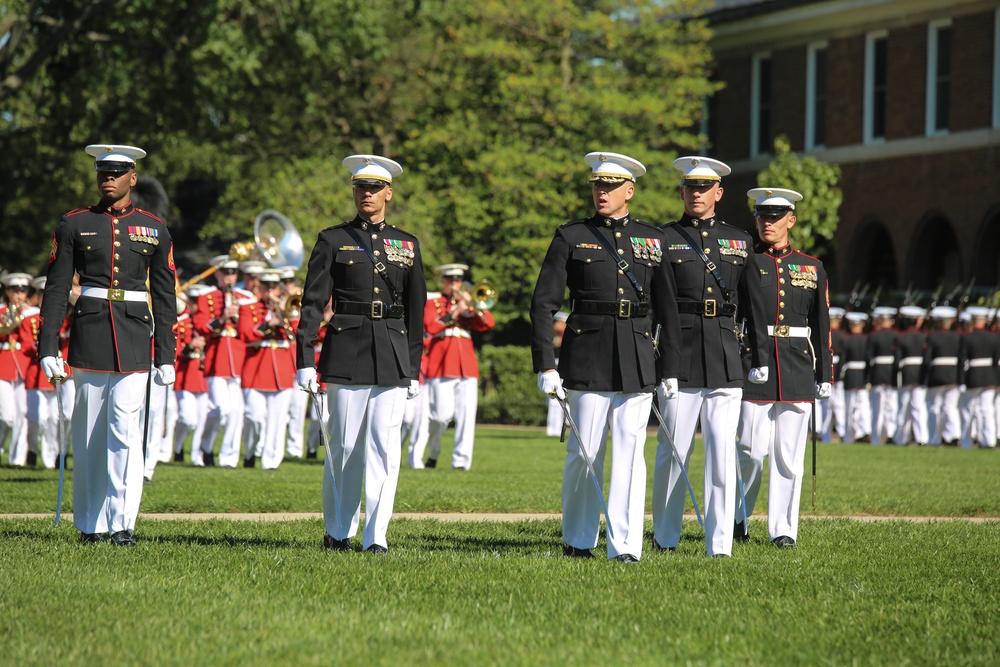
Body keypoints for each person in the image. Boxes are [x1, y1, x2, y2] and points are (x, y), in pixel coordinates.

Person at [530, 151, 679, 563]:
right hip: (586, 355)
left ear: (629, 190)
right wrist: (546, 363)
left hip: (636, 354)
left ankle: (625, 546)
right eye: (598, 185)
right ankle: (578, 538)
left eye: (611, 186)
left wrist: (671, 368)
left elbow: (668, 309)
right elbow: (543, 304)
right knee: (585, 451)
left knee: (630, 454)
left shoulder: (653, 238)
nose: (602, 192)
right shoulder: (571, 235)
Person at [38, 144, 177, 546]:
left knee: (124, 430)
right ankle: (90, 524)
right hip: (91, 335)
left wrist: (165, 354)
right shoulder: (74, 223)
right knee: (88, 432)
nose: (109, 179)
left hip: (135, 336)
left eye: (117, 172)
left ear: (133, 177)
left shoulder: (154, 227)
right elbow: (57, 287)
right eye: (103, 172)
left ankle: (121, 524)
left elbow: (166, 297)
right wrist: (48, 347)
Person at [295, 154, 426, 554]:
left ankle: (377, 536)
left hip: (391, 350)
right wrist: (304, 358)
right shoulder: (332, 239)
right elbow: (312, 303)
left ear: (388, 193)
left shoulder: (407, 243)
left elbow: (417, 309)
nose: (366, 194)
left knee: (385, 449)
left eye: (373, 188)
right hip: (346, 348)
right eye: (360, 187)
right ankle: (338, 531)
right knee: (345, 445)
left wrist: (414, 367)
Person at [651, 156, 769, 558]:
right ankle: (665, 537)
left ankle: (720, 543)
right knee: (673, 449)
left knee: (721, 451)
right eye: (690, 188)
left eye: (704, 188)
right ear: (682, 192)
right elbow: (655, 304)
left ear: (719, 193)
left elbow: (754, 305)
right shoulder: (663, 238)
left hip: (724, 353)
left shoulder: (740, 240)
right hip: (679, 353)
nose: (696, 194)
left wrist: (760, 357)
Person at [734, 188, 832, 548]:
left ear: (791, 219)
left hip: (797, 363)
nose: (768, 223)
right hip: (753, 360)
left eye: (775, 217)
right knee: (750, 449)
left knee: (789, 456)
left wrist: (825, 373)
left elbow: (821, 322)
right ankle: (737, 518)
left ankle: (783, 529)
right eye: (762, 217)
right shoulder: (745, 261)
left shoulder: (812, 266)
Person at [422, 263, 496, 470]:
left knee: (466, 415)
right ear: (443, 281)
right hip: (442, 364)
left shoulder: (468, 301)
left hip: (467, 366)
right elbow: (431, 326)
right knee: (440, 416)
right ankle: (434, 450)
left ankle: (461, 462)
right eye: (450, 280)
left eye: (458, 280)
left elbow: (488, 323)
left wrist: (471, 304)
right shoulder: (433, 301)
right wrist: (455, 312)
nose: (454, 284)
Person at [194, 255, 255, 466]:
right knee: (220, 410)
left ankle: (229, 457)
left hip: (238, 358)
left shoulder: (245, 297)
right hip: (217, 358)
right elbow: (201, 325)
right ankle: (207, 446)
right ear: (218, 274)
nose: (230, 277)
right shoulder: (206, 296)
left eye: (233, 273)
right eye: (226, 272)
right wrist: (222, 318)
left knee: (237, 411)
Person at [239, 270, 298, 469]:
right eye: (267, 286)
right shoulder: (249, 307)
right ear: (260, 287)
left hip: (281, 370)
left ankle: (270, 462)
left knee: (278, 420)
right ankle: (250, 451)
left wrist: (287, 313)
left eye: (275, 286)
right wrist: (268, 323)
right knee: (254, 417)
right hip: (256, 368)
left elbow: (299, 334)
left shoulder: (289, 309)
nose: (271, 290)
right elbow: (247, 335)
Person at [0, 272, 33, 465]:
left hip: (23, 365)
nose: (20, 294)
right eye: (15, 290)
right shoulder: (2, 309)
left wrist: (27, 314)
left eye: (23, 290)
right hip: (3, 365)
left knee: (22, 414)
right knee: (7, 416)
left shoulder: (32, 312)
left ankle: (17, 459)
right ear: (8, 291)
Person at [958, 306, 998, 449]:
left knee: (968, 409)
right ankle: (989, 440)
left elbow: (962, 361)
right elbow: (995, 360)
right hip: (989, 377)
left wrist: (961, 381)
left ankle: (966, 442)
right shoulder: (993, 338)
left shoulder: (967, 338)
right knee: (987, 410)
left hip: (973, 376)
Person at [924, 306, 961, 446]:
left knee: (934, 407)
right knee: (950, 406)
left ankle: (935, 438)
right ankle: (953, 435)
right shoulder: (958, 337)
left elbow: (927, 360)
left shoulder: (932, 338)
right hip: (953, 374)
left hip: (937, 374)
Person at [894, 305, 929, 445]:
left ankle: (901, 438)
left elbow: (897, 361)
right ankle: (922, 438)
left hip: (906, 374)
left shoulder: (901, 338)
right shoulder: (924, 337)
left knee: (903, 407)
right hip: (919, 374)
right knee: (919, 407)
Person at [866, 307, 899, 445]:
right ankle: (890, 434)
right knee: (891, 407)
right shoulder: (896, 336)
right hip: (891, 374)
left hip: (878, 374)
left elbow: (868, 359)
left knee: (877, 408)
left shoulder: (873, 336)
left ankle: (876, 437)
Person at [840, 311, 871, 443]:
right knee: (863, 405)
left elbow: (842, 362)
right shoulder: (867, 340)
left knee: (849, 407)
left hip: (851, 375)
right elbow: (869, 360)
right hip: (863, 375)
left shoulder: (847, 341)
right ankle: (865, 431)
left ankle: (849, 436)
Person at [820, 307, 846, 442]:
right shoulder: (842, 336)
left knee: (826, 407)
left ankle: (825, 435)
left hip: (826, 372)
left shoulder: (824, 334)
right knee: (839, 405)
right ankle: (842, 433)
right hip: (838, 373)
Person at [544, 311, 569, 437]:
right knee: (552, 400)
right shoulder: (554, 337)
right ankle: (553, 428)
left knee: (557, 399)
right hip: (553, 368)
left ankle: (555, 429)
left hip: (562, 369)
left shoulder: (566, 338)